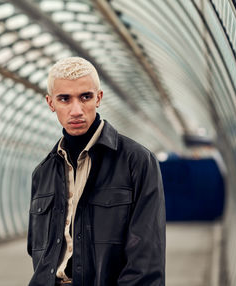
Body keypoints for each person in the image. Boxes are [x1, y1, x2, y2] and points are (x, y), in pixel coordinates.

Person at [27, 57, 165, 286]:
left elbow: (146, 259)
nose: (76, 110)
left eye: (85, 97)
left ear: (98, 98)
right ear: (51, 103)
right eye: (64, 99)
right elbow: (37, 251)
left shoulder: (137, 161)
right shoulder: (43, 173)